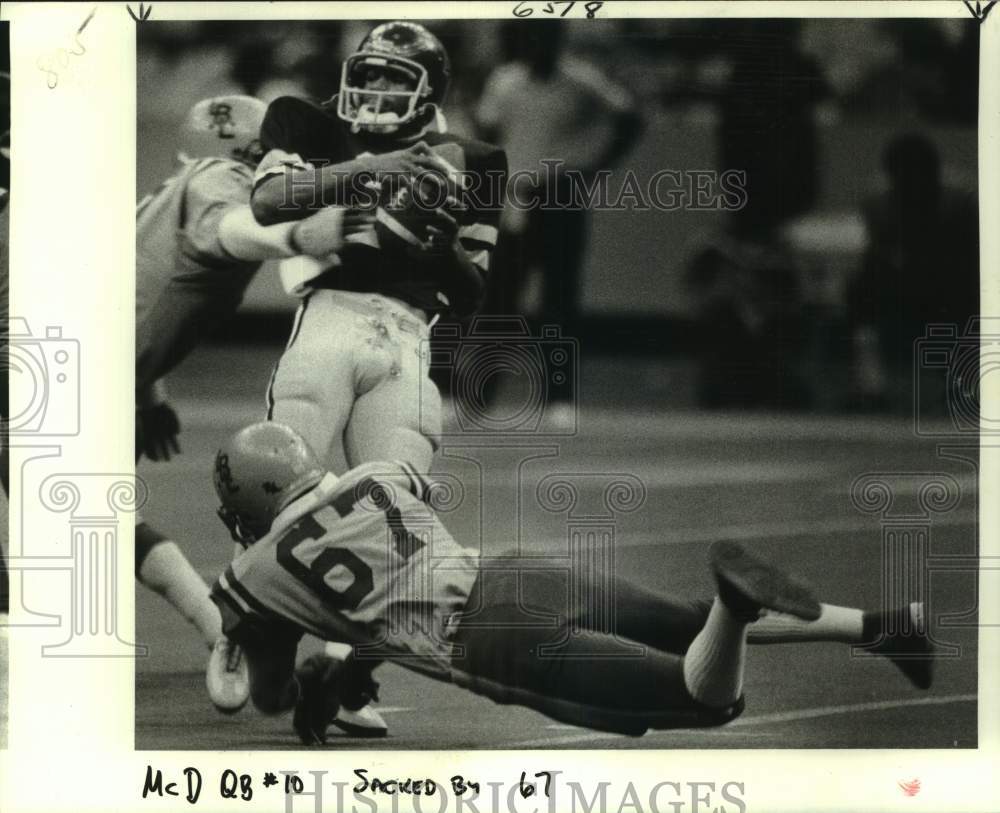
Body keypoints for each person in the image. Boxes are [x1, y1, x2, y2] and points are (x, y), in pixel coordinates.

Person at [209, 421, 933, 745]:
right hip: (517, 571)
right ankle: (883, 625)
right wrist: (351, 653)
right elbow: (393, 572)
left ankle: (739, 607)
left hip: (488, 641)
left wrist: (312, 671)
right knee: (689, 619)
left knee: (706, 696)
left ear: (246, 503)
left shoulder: (253, 572)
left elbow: (268, 695)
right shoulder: (375, 475)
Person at [248, 21, 508, 734]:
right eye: (374, 71)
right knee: (277, 488)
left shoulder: (475, 157)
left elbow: (474, 287)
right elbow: (268, 201)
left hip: (406, 333)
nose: (380, 87)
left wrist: (438, 237)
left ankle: (345, 668)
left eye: (399, 76)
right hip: (327, 315)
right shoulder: (305, 119)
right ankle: (261, 642)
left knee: (396, 518)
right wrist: (378, 173)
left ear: (430, 90)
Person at [135, 94, 367, 714]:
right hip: (59, 359)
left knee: (94, 517)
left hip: (100, 364)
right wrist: (298, 232)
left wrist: (146, 389)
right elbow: (231, 233)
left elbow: (139, 282)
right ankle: (226, 630)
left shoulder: (218, 176)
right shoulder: (226, 182)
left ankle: (226, 632)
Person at [474, 21, 641, 409]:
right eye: (534, 36)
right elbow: (487, 129)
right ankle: (481, 395)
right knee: (500, 298)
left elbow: (629, 117)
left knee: (559, 300)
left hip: (560, 194)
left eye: (548, 37)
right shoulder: (505, 82)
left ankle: (559, 398)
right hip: (516, 198)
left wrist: (594, 167)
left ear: (558, 41)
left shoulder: (582, 82)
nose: (540, 45)